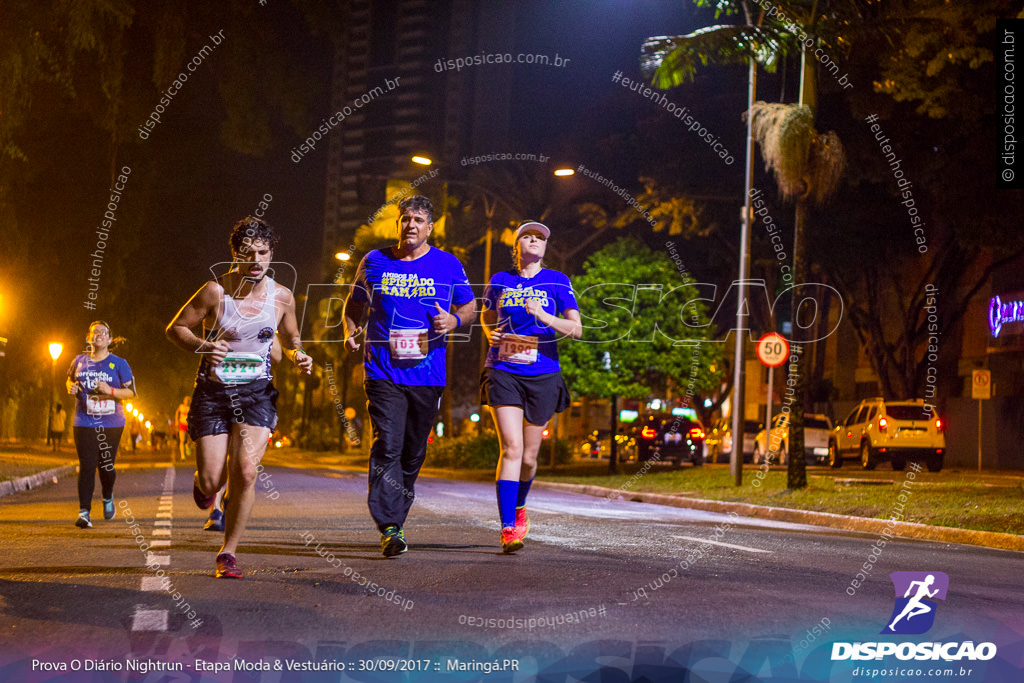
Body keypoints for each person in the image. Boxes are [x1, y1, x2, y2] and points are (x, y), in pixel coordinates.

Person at [166, 216, 312, 578]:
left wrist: (299, 356)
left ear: (271, 254)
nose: (257, 261)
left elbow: (291, 339)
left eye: (263, 253)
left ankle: (228, 552)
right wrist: (204, 346)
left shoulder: (282, 297)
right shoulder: (215, 292)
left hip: (257, 393)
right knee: (214, 480)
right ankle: (206, 488)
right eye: (248, 254)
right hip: (214, 392)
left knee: (246, 471)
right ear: (235, 255)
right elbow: (175, 328)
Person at [343, 195, 475, 557]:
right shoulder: (375, 261)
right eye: (405, 219)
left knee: (414, 451)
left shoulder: (448, 265)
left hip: (428, 372)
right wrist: (350, 329)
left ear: (429, 227)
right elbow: (355, 303)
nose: (411, 225)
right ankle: (390, 526)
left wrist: (453, 320)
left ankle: (395, 518)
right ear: (398, 224)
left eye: (418, 219)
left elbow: (468, 306)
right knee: (388, 442)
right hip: (382, 368)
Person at [480, 221, 581, 552]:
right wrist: (489, 333)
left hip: (543, 372)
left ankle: (520, 505)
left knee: (529, 457)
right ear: (517, 245)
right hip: (503, 368)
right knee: (512, 447)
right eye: (528, 236)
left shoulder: (558, 281)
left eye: (540, 238)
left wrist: (544, 316)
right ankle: (508, 528)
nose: (535, 241)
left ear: (545, 247)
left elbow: (576, 330)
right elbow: (486, 315)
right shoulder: (500, 280)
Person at [66, 321, 137, 529]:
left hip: (111, 422)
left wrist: (110, 390)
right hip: (84, 420)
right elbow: (69, 380)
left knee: (106, 465)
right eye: (94, 332)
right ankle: (84, 512)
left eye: (103, 332)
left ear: (109, 339)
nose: (98, 334)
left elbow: (131, 392)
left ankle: (107, 495)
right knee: (87, 465)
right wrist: (71, 387)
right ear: (88, 338)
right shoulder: (79, 361)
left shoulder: (120, 363)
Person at [175, 397, 191, 461]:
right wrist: (176, 421)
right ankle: (183, 456)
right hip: (182, 424)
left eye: (188, 400)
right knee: (182, 440)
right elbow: (177, 412)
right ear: (184, 401)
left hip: (189, 424)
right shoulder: (181, 406)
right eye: (186, 400)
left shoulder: (191, 407)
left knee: (191, 439)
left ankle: (187, 445)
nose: (187, 401)